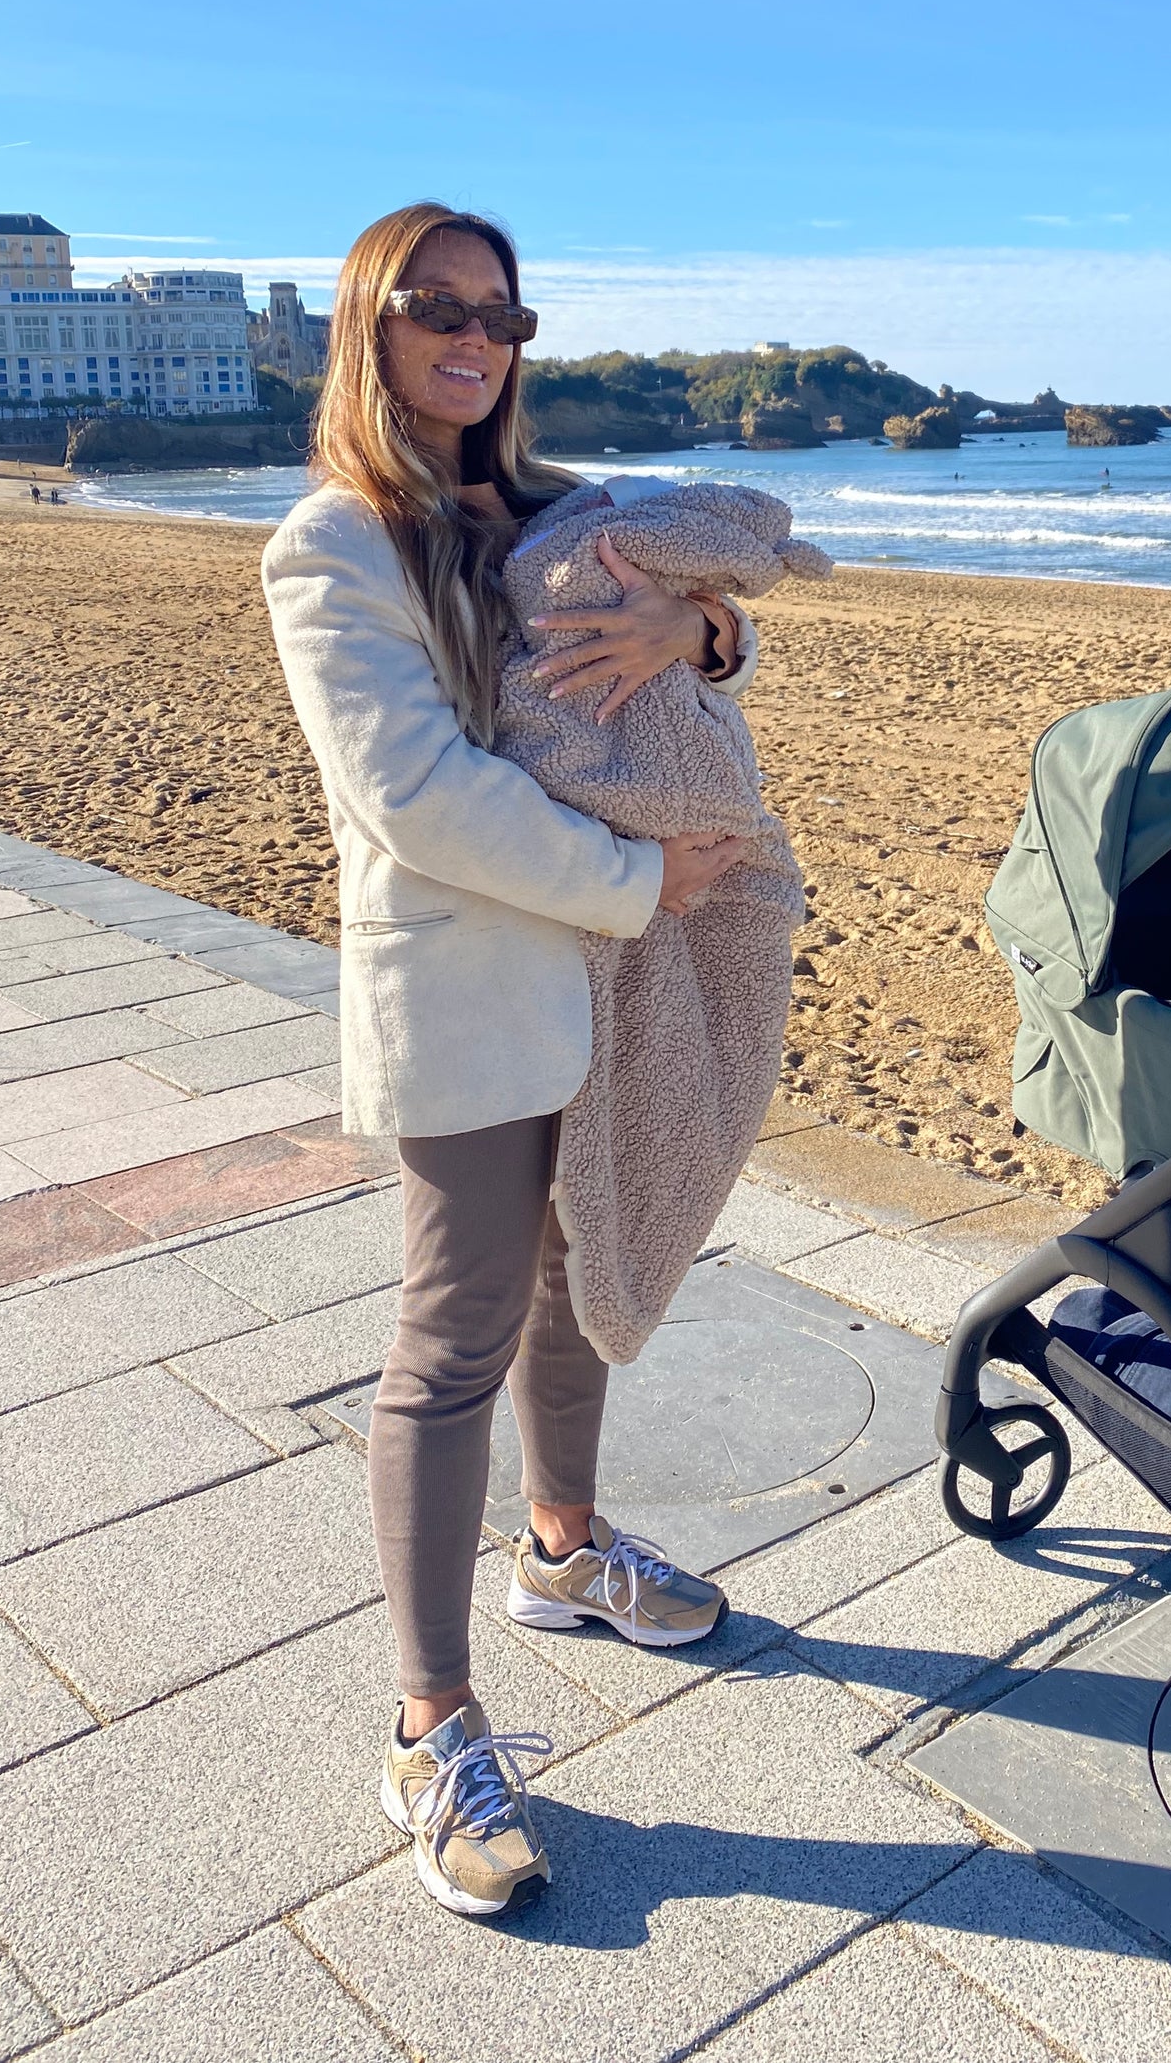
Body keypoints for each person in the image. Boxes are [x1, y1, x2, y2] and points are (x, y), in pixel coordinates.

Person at [263, 203, 759, 1923]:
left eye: (501, 312)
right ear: (370, 327)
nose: (474, 337)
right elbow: (411, 795)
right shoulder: (332, 546)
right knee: (453, 1335)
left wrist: (703, 640)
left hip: (624, 995)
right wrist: (640, 878)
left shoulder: (552, 507)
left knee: (589, 1272)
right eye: (436, 309)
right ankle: (429, 1722)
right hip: (478, 986)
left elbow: (695, 599)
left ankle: (564, 1546)